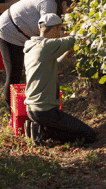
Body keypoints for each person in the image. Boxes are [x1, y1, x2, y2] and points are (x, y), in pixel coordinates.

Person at [0, 0, 77, 110]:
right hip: (8, 31)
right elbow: (47, 35)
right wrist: (71, 39)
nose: (72, 14)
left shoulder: (55, 5)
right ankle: (11, 111)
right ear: (64, 4)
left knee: (26, 70)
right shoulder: (49, 5)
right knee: (14, 73)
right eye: (72, 10)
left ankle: (24, 107)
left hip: (21, 32)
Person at [24, 13, 96, 145]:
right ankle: (45, 132)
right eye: (60, 29)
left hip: (33, 109)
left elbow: (56, 67)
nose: (61, 33)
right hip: (45, 110)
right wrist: (85, 25)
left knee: (75, 130)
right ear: (54, 29)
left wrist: (69, 54)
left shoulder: (33, 47)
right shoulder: (46, 46)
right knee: (89, 135)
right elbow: (72, 40)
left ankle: (40, 128)